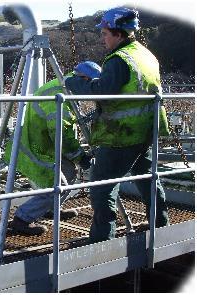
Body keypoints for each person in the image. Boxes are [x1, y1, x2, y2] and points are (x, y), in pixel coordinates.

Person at [65, 7, 170, 243]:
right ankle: (161, 224)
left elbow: (104, 92)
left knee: (102, 184)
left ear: (119, 34)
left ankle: (102, 238)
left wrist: (75, 84)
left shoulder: (119, 59)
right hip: (146, 130)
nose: (103, 38)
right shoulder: (145, 54)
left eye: (105, 34)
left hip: (122, 134)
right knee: (147, 178)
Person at [7, 61, 102, 235]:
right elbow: (61, 133)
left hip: (47, 144)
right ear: (84, 79)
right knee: (56, 184)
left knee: (70, 172)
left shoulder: (65, 87)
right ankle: (22, 218)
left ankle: (51, 209)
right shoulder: (61, 94)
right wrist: (80, 156)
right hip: (36, 147)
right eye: (92, 85)